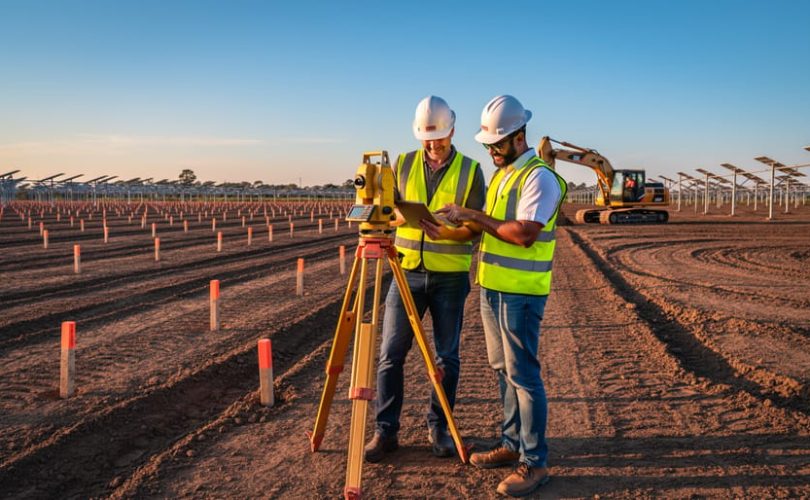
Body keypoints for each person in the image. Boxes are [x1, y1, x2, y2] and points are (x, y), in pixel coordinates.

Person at [436, 95, 567, 497]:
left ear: (519, 136)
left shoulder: (539, 177)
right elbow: (487, 230)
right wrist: (445, 228)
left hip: (520, 294)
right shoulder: (505, 175)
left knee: (524, 376)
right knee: (502, 369)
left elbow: (523, 234)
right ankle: (512, 445)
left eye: (497, 143)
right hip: (493, 289)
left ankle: (535, 462)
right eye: (487, 145)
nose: (491, 150)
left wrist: (473, 214)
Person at [364, 95, 486, 462]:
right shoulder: (401, 165)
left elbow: (475, 228)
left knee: (447, 357)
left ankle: (441, 427)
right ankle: (385, 432)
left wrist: (448, 232)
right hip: (407, 272)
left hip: (449, 277)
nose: (433, 145)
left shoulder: (470, 170)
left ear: (452, 130)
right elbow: (385, 214)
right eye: (427, 138)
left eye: (440, 137)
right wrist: (401, 219)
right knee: (390, 355)